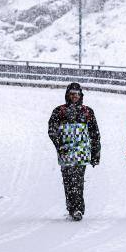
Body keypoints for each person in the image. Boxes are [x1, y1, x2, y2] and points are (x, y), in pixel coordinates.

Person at [48, 82, 101, 221]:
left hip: (81, 153)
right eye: (72, 94)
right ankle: (71, 208)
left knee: (78, 181)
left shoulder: (87, 111)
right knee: (68, 181)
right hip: (65, 153)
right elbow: (51, 130)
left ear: (80, 95)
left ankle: (78, 209)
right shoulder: (59, 111)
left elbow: (95, 134)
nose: (74, 96)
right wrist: (59, 145)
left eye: (77, 94)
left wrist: (96, 153)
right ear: (67, 95)